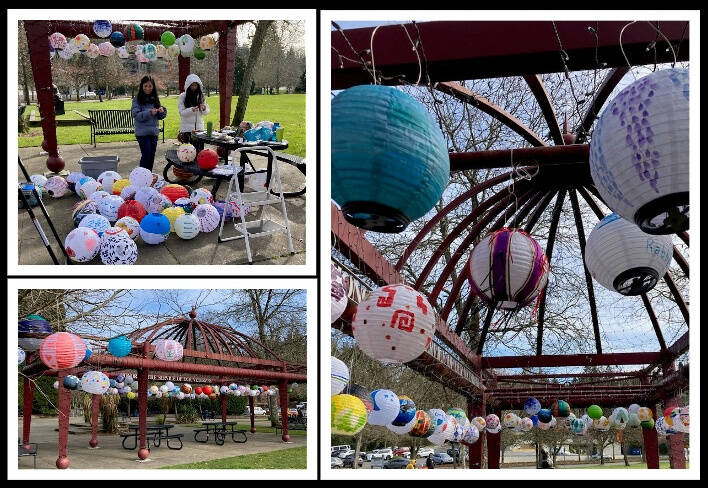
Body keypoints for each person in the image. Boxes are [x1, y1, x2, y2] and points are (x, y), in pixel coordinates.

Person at [131, 75, 167, 171]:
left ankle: (148, 177)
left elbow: (160, 116)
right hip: (142, 133)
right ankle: (141, 177)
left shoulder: (155, 99)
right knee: (146, 156)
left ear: (153, 87)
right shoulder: (137, 99)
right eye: (145, 86)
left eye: (150, 86)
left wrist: (162, 111)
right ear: (142, 86)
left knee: (151, 158)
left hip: (153, 133)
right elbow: (136, 115)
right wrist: (149, 112)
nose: (147, 88)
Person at [177, 73, 210, 143]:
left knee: (199, 150)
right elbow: (181, 112)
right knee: (188, 152)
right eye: (192, 85)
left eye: (195, 85)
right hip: (187, 129)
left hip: (199, 129)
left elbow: (206, 112)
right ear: (188, 85)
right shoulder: (182, 96)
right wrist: (191, 110)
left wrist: (204, 108)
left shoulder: (201, 96)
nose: (194, 87)